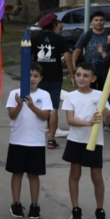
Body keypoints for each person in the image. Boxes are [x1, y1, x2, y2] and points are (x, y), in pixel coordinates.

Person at [62, 63, 110, 219]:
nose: (81, 78)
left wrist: (106, 115)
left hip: (95, 142)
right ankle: (75, 209)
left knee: (97, 177)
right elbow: (70, 120)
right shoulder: (71, 96)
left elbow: (107, 122)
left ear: (93, 78)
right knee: (75, 174)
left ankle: (100, 211)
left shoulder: (100, 95)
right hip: (76, 141)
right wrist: (88, 123)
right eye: (78, 75)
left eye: (85, 75)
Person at [5, 62, 52, 219]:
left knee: (33, 175)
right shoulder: (14, 93)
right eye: (29, 75)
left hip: (36, 142)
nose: (32, 79)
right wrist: (20, 105)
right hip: (17, 140)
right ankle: (16, 203)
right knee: (17, 173)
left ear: (40, 78)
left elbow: (45, 116)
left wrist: (32, 106)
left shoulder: (44, 95)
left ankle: (34, 205)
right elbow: (12, 115)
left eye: (35, 76)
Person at [31, 13, 74, 149]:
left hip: (38, 77)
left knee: (37, 105)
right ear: (54, 24)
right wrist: (71, 74)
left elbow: (27, 56)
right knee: (53, 108)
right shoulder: (59, 39)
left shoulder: (35, 38)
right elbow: (68, 57)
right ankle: (51, 139)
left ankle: (33, 136)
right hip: (55, 77)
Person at [72, 11, 109, 89]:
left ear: (104, 21)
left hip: (105, 70)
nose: (99, 22)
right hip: (89, 70)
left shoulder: (108, 35)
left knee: (104, 91)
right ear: (92, 21)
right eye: (96, 20)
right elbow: (77, 50)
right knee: (90, 91)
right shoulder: (86, 35)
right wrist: (73, 64)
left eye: (101, 20)